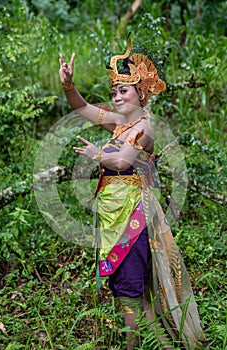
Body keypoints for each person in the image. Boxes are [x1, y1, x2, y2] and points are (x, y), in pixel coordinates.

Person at [59, 37, 206, 350]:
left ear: (141, 92)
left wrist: (97, 155)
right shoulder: (120, 123)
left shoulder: (144, 127)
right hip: (115, 216)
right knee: (131, 291)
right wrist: (69, 86)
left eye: (123, 90)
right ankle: (158, 345)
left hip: (135, 218)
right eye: (113, 91)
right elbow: (84, 109)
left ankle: (135, 346)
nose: (116, 97)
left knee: (130, 290)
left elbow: (122, 161)